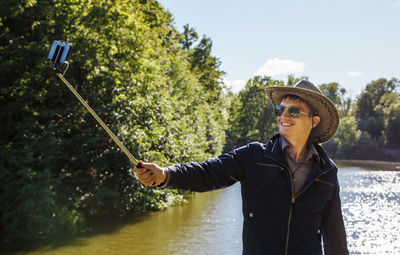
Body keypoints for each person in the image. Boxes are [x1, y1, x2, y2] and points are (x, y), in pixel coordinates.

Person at [134, 80, 349, 255]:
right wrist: (165, 174)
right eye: (279, 109)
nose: (283, 116)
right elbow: (207, 173)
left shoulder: (327, 172)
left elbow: (335, 236)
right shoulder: (254, 156)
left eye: (293, 112)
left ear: (314, 120)